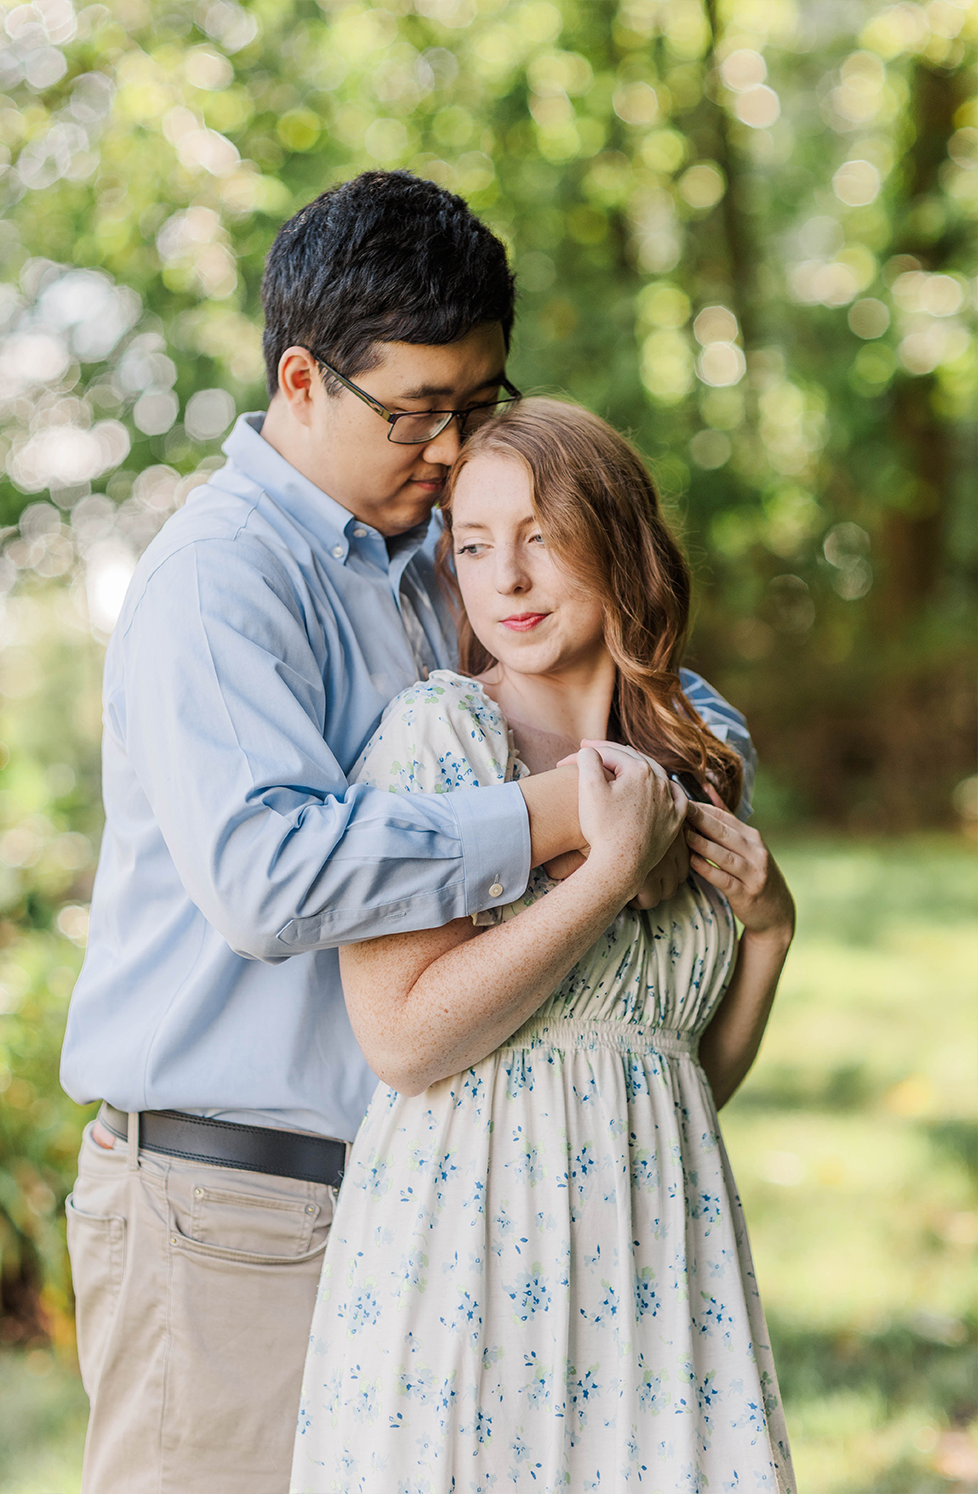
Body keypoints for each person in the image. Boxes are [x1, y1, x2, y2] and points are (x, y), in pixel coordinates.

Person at [58, 171, 755, 1494]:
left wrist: (681, 784)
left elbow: (619, 675)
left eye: (478, 407)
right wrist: (551, 816)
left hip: (426, 1212)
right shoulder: (222, 582)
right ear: (305, 380)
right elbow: (269, 875)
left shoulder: (425, 556)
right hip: (234, 1207)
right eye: (420, 412)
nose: (449, 451)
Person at [290, 398, 795, 1490]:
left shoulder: (697, 760)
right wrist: (605, 879)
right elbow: (403, 1042)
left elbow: (676, 1075)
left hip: (655, 1253)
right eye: (472, 545)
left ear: (617, 542)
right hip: (467, 1259)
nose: (504, 579)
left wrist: (769, 932)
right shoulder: (440, 739)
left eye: (539, 536)